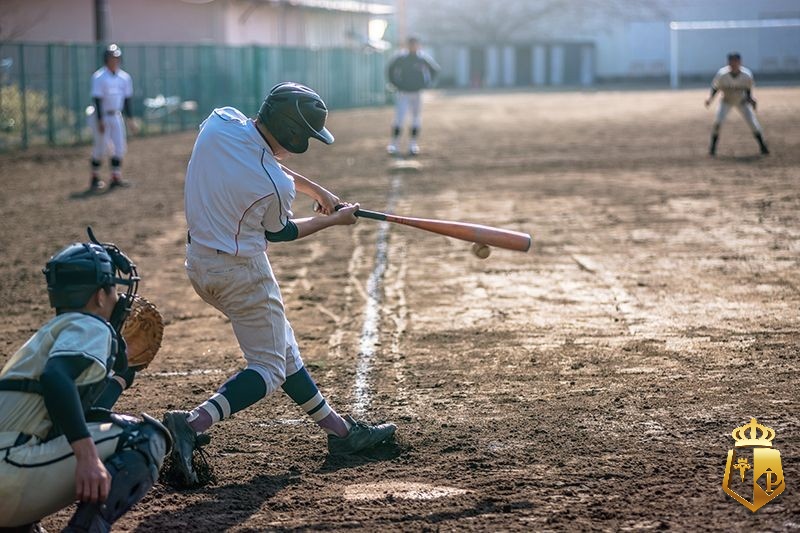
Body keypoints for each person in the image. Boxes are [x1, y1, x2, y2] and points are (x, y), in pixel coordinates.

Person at [163, 82, 396, 486]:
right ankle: (192, 422)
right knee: (269, 368)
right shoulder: (274, 185)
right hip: (242, 273)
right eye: (305, 134)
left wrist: (318, 190)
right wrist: (333, 219)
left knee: (281, 349)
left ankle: (341, 433)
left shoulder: (221, 121)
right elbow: (283, 232)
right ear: (290, 132)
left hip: (199, 263)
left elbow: (257, 155)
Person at [0, 237, 170, 532]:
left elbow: (74, 413)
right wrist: (88, 457)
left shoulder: (53, 335)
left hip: (11, 474)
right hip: (9, 474)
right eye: (113, 289)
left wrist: (120, 378)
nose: (119, 299)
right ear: (100, 296)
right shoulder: (91, 325)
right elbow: (56, 379)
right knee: (144, 438)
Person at [89, 44, 138, 191]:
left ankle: (116, 177)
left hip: (116, 115)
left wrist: (130, 119)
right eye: (112, 57)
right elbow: (97, 100)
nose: (114, 60)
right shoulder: (99, 77)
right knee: (101, 147)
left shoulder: (124, 77)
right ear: (106, 59)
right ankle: (94, 177)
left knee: (120, 146)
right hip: (102, 115)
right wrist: (99, 120)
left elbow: (127, 100)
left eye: (117, 57)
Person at [705, 52, 769, 157]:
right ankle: (712, 149)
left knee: (753, 123)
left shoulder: (746, 75)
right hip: (726, 101)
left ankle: (763, 147)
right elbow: (715, 87)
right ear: (728, 62)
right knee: (718, 123)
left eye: (735, 61)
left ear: (740, 62)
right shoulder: (722, 74)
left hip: (741, 101)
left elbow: (748, 91)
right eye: (731, 61)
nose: (733, 64)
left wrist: (751, 100)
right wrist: (710, 98)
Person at [386, 36, 440, 156]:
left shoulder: (421, 58)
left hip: (417, 93)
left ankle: (413, 144)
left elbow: (434, 70)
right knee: (399, 119)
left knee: (416, 119)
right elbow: (390, 69)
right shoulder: (402, 58)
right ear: (407, 45)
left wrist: (428, 84)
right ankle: (394, 144)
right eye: (411, 44)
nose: (413, 47)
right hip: (403, 92)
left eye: (415, 44)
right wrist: (395, 83)